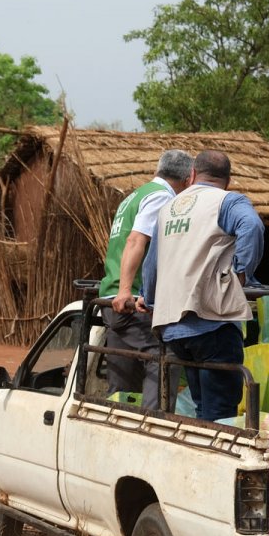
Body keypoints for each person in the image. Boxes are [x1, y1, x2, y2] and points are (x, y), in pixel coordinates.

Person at [137, 150, 264, 422]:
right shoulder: (228, 201)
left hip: (174, 330)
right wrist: (240, 275)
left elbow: (152, 262)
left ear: (193, 174)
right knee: (220, 415)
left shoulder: (169, 208)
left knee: (202, 409)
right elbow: (252, 226)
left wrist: (148, 298)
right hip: (212, 324)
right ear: (228, 180)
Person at [100, 149, 193, 409]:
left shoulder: (135, 196)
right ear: (189, 179)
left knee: (123, 370)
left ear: (157, 170)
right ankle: (154, 421)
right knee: (165, 355)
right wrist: (125, 290)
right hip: (132, 300)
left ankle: (118, 417)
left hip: (111, 298)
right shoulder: (162, 197)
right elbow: (135, 240)